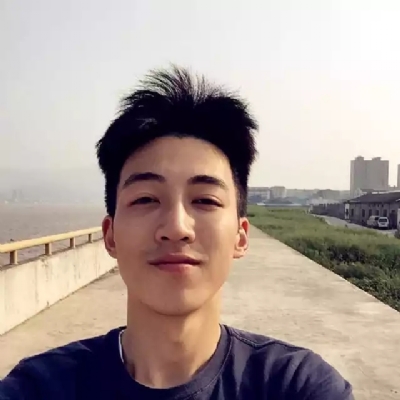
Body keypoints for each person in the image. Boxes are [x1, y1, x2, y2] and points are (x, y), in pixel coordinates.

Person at [0, 66, 354, 399]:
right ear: (110, 235)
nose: (176, 228)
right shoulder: (38, 388)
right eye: (145, 199)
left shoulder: (295, 385)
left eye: (205, 200)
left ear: (240, 236)